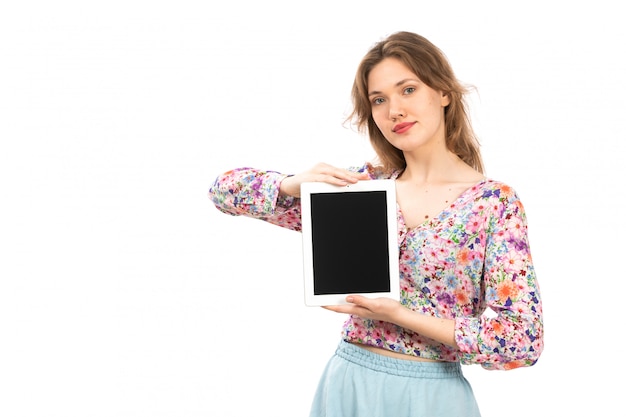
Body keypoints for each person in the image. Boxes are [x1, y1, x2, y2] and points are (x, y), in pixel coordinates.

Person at [208, 31, 544, 417]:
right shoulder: (359, 190)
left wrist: (399, 314)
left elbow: (523, 340)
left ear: (444, 93)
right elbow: (223, 192)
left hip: (432, 397)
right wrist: (292, 184)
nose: (394, 111)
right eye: (379, 100)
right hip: (348, 382)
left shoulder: (492, 204)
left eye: (408, 90)